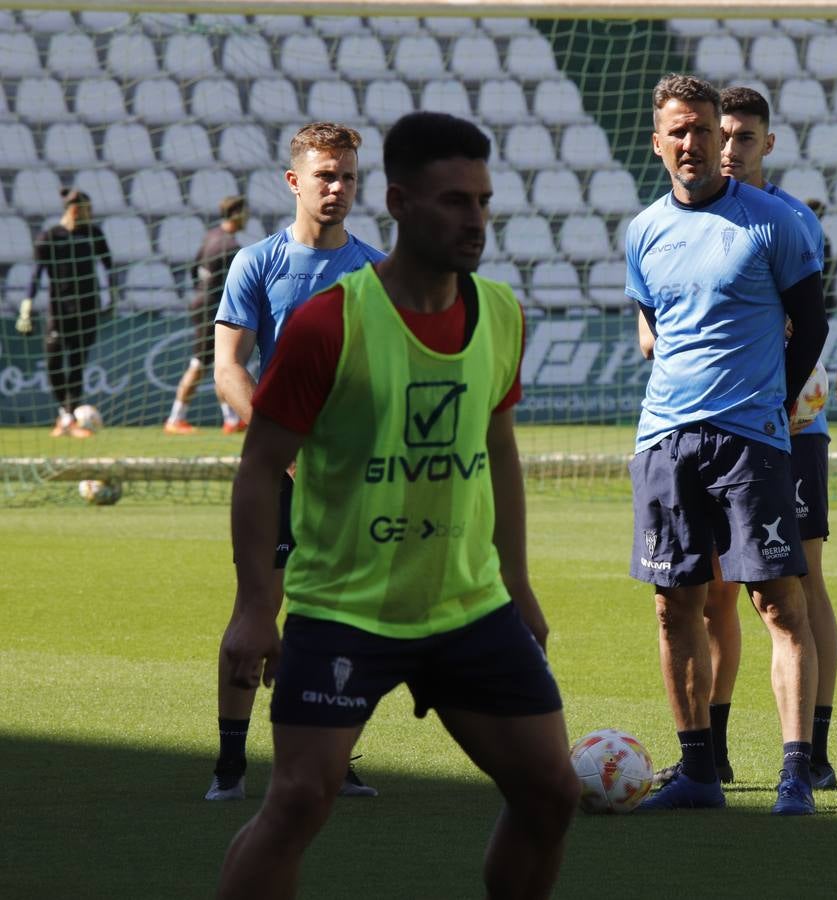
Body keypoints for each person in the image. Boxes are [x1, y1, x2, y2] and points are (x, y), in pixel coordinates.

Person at [215, 110, 576, 900]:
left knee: (552, 793)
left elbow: (501, 451)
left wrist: (517, 582)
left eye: (483, 201)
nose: (475, 219)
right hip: (345, 608)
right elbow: (259, 465)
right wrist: (254, 606)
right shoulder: (329, 322)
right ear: (402, 201)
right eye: (454, 201)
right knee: (299, 801)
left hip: (467, 607)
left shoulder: (502, 314)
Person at [627, 74, 828, 815]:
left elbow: (810, 325)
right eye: (677, 131)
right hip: (664, 441)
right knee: (672, 606)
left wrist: (771, 405)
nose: (692, 142)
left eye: (704, 130)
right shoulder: (642, 231)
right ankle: (697, 773)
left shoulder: (775, 223)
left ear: (723, 138)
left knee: (779, 603)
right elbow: (657, 327)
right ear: (659, 142)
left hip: (750, 442)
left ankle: (796, 772)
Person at [206, 123, 386, 801]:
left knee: (348, 624)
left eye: (347, 176)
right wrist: (282, 445)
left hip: (348, 478)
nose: (337, 188)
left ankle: (333, 758)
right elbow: (227, 370)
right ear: (295, 182)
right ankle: (229, 763)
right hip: (274, 474)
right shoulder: (256, 262)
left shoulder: (374, 270)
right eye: (325, 176)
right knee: (255, 616)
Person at [15, 189, 117, 438]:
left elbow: (108, 266)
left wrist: (112, 297)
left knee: (77, 365)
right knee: (53, 363)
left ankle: (68, 418)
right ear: (74, 209)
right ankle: (66, 414)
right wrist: (26, 305)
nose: (90, 214)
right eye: (86, 209)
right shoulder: (50, 237)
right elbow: (36, 274)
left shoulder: (93, 234)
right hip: (59, 310)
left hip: (88, 309)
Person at [164, 195, 250, 436]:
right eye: (245, 213)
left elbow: (194, 270)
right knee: (200, 364)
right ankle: (175, 418)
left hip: (201, 303)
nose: (248, 217)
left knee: (220, 363)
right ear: (236, 214)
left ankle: (231, 419)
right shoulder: (232, 247)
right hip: (212, 309)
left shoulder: (211, 236)